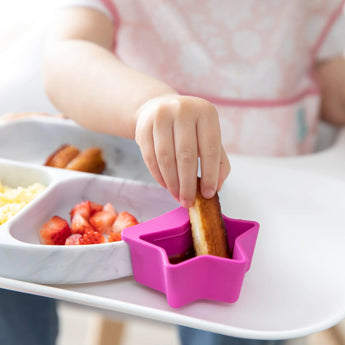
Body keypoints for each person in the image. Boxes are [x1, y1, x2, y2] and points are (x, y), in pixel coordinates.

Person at [43, 0, 345, 344]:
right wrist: (145, 105)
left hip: (278, 207)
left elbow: (335, 91)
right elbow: (66, 55)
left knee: (241, 321)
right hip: (153, 192)